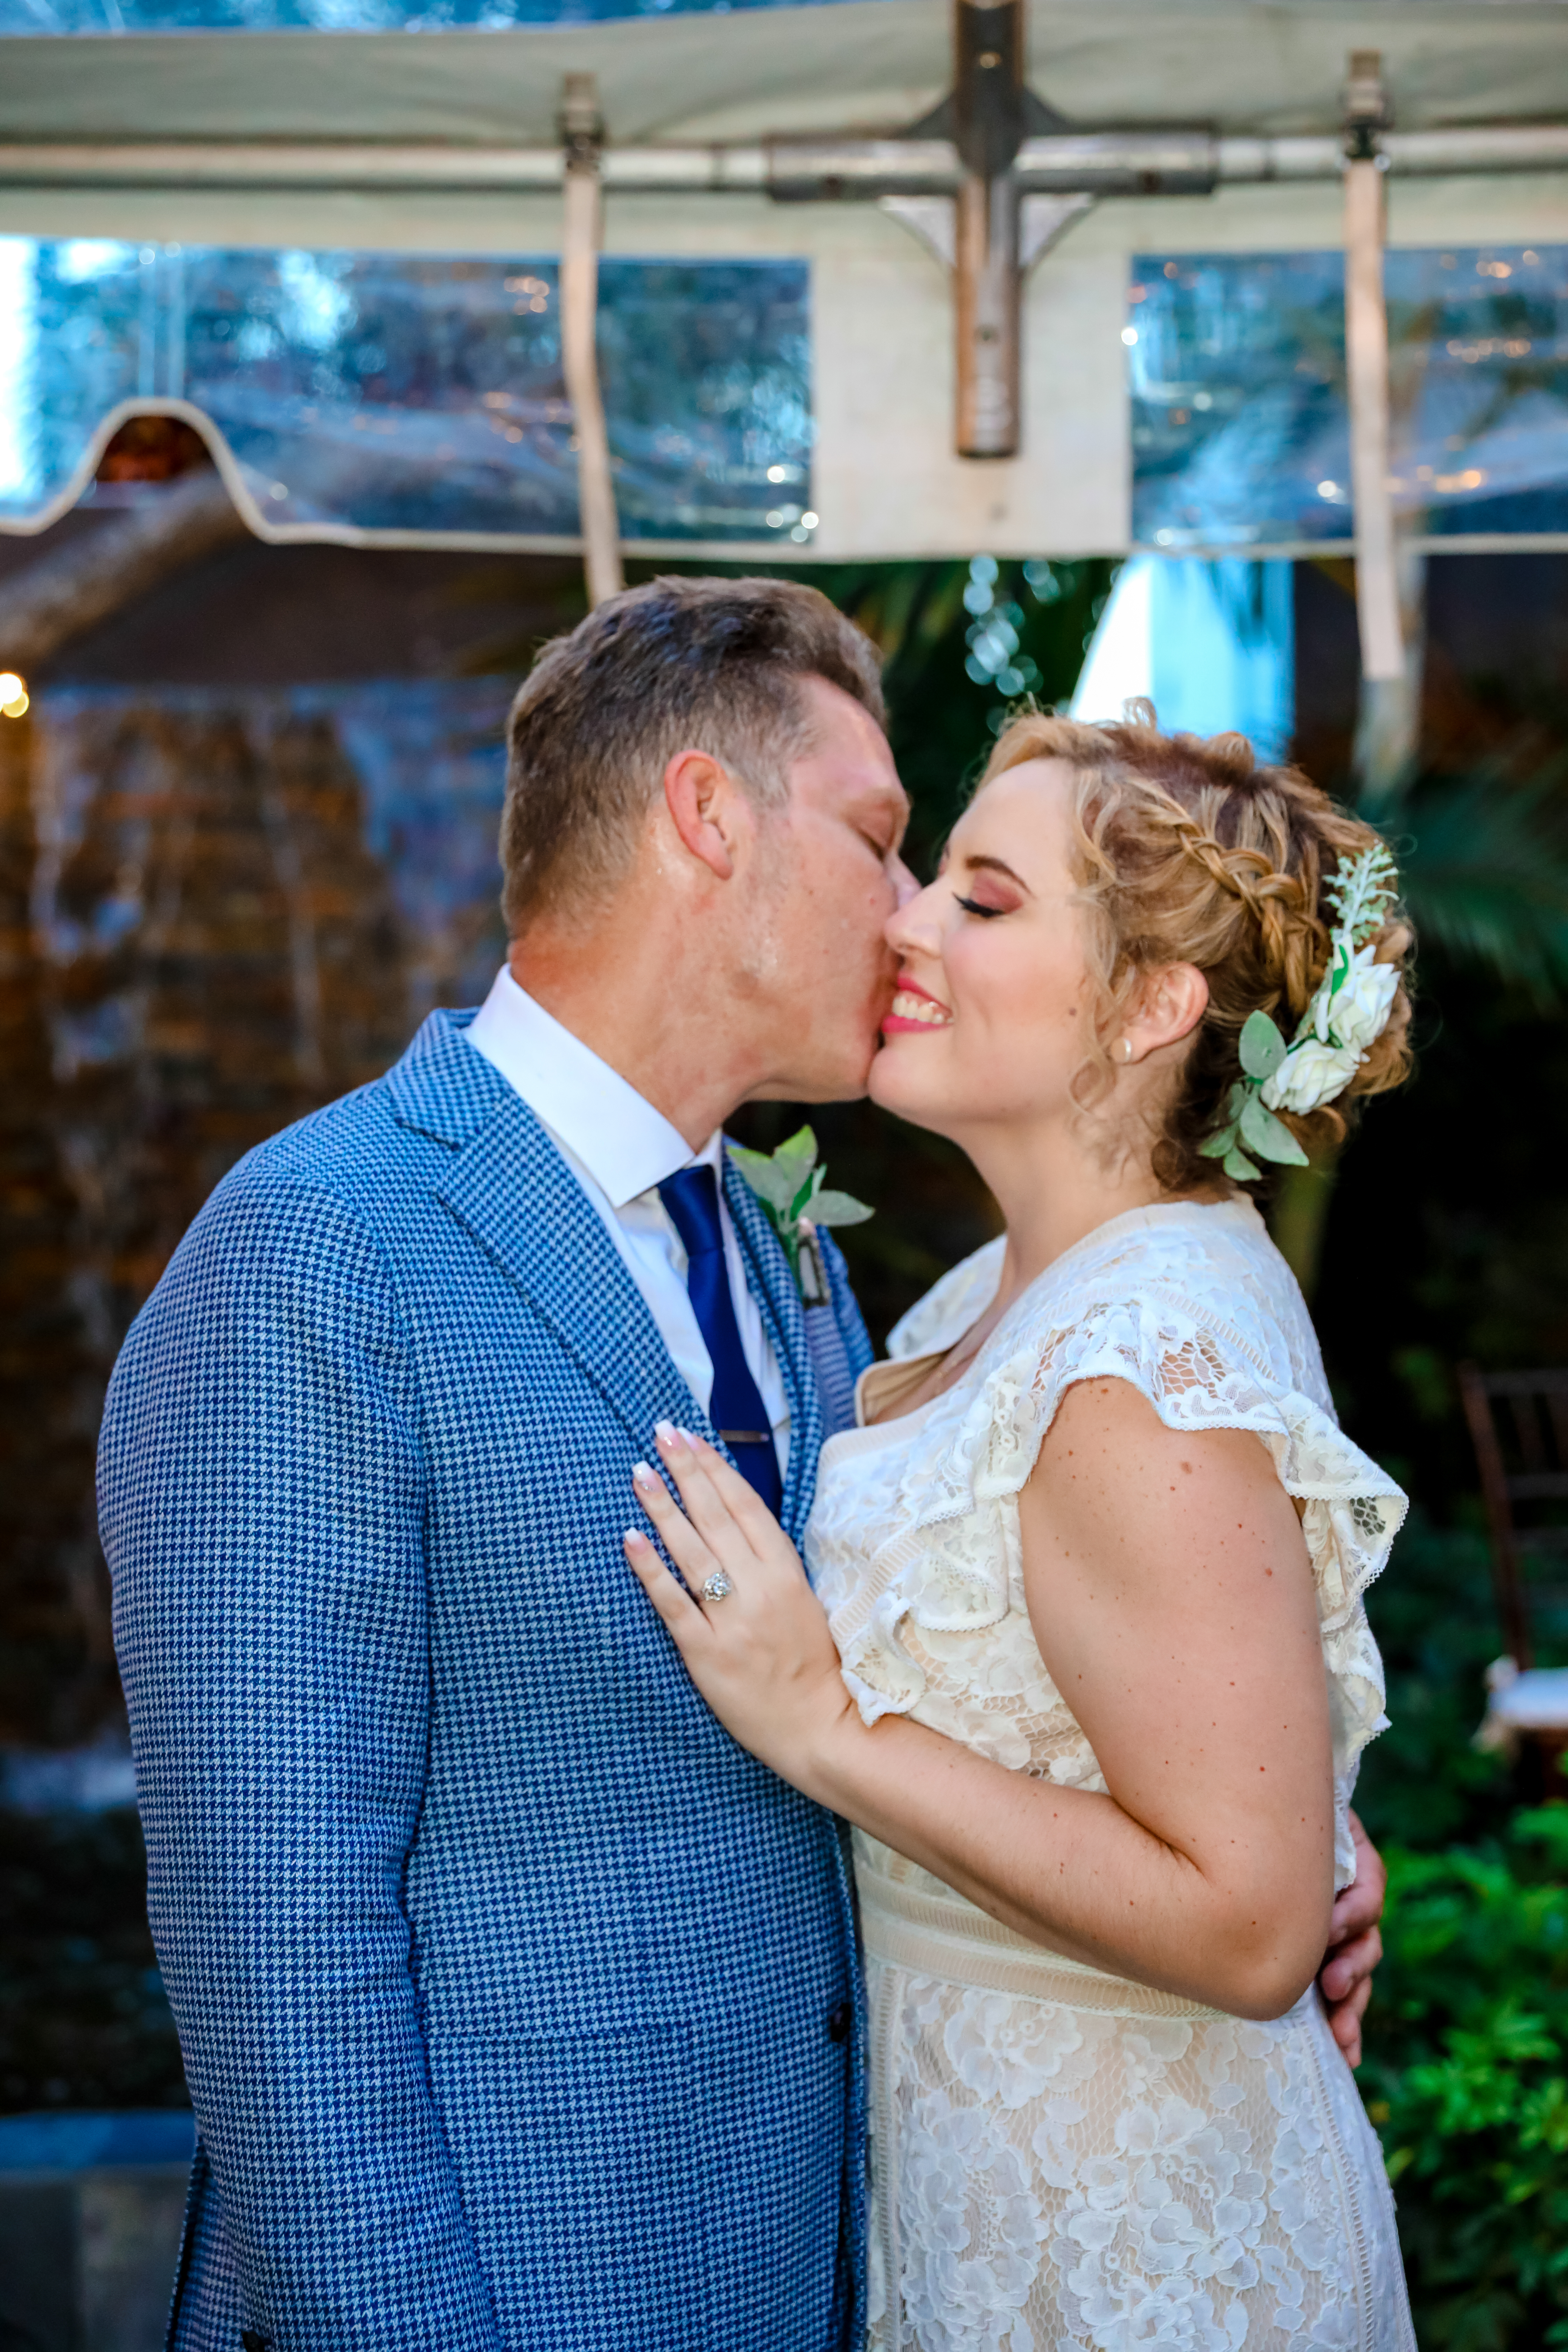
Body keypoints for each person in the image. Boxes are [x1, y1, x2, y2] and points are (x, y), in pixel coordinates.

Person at [100, 582, 1386, 2352]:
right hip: (518, 2291)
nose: (906, 912)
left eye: (957, 880)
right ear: (708, 818)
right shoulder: (318, 1252)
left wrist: (1280, 1828)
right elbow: (276, 1957)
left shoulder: (799, 1267)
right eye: (879, 841)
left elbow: (1010, 1643)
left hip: (848, 2259)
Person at [622, 712, 1416, 2348]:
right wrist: (1321, 1813)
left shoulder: (1134, 1370)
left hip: (1132, 2247)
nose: (904, 919)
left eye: (982, 900)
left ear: (1147, 1007)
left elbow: (1253, 1925)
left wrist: (826, 1730)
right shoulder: (1009, 1291)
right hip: (980, 2178)